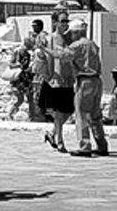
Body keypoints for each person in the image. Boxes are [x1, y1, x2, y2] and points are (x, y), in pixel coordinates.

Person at [47, 19, 108, 157]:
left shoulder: (77, 45)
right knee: (95, 115)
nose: (71, 36)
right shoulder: (92, 44)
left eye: (72, 33)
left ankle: (84, 146)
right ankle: (102, 145)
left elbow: (62, 56)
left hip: (85, 81)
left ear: (76, 32)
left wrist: (46, 49)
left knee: (81, 115)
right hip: (97, 81)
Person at [42, 10, 75, 153]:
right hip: (55, 79)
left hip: (68, 80)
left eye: (67, 21)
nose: (65, 24)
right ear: (55, 22)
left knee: (69, 111)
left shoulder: (70, 39)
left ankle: (53, 133)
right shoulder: (49, 39)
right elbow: (43, 57)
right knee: (59, 113)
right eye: (63, 21)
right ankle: (60, 141)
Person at [7, 36, 35, 120]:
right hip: (19, 79)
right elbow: (10, 64)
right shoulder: (17, 52)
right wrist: (18, 65)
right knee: (20, 99)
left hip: (26, 78)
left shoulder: (28, 54)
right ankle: (10, 114)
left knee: (30, 98)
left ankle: (32, 116)